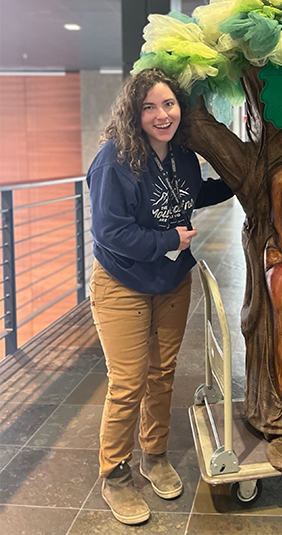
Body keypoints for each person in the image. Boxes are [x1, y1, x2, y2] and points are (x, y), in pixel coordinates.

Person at [87, 67, 233, 525]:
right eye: (149, 106)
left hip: (171, 283)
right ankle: (115, 474)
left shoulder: (183, 156)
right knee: (129, 382)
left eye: (168, 104)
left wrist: (246, 171)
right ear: (134, 112)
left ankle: (154, 456)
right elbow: (109, 231)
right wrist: (169, 241)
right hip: (122, 283)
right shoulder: (114, 160)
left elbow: (197, 192)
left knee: (162, 373)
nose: (161, 114)